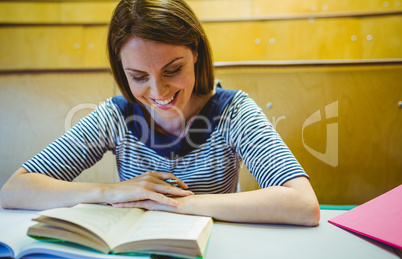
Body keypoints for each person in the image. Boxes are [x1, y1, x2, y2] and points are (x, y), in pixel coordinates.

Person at [0, 0, 320, 226]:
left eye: (172, 69)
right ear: (121, 70)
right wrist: (113, 191)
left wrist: (180, 204)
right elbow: (16, 190)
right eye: (139, 77)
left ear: (195, 50)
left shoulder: (233, 112)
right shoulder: (116, 116)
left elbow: (303, 205)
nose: (159, 92)